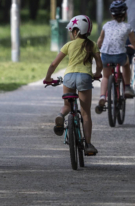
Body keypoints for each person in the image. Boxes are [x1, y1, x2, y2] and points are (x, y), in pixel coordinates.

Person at [43, 14, 102, 156]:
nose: (71, 34)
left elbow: (53, 64)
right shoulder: (92, 45)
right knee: (85, 112)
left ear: (76, 31)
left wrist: (48, 78)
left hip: (68, 76)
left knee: (67, 106)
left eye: (71, 31)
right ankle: (88, 145)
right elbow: (100, 64)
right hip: (84, 77)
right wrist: (97, 74)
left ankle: (60, 116)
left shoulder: (68, 45)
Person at [95, 0, 135, 111]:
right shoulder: (128, 27)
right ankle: (128, 87)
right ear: (125, 14)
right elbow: (133, 42)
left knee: (106, 76)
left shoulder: (106, 26)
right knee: (126, 64)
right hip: (119, 55)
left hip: (105, 55)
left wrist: (99, 47)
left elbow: (100, 41)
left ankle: (102, 97)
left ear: (112, 14)